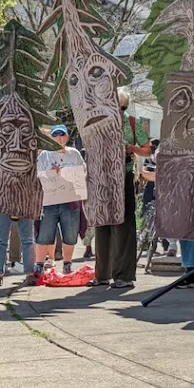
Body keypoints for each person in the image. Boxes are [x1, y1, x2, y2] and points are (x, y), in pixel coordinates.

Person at [90, 89, 150, 290]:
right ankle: (102, 274)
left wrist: (131, 149)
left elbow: (147, 149)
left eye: (123, 107)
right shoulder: (99, 122)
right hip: (102, 174)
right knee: (102, 222)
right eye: (116, 106)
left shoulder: (132, 122)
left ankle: (123, 275)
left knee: (123, 224)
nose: (120, 110)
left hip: (123, 174)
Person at [36, 125, 85, 275]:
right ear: (51, 137)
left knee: (70, 234)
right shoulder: (45, 155)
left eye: (62, 135)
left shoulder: (74, 153)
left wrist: (69, 174)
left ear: (67, 136)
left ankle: (67, 263)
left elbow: (83, 171)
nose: (60, 138)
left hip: (70, 201)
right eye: (56, 135)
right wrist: (51, 174)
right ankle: (39, 264)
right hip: (49, 202)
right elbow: (37, 175)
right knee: (44, 234)